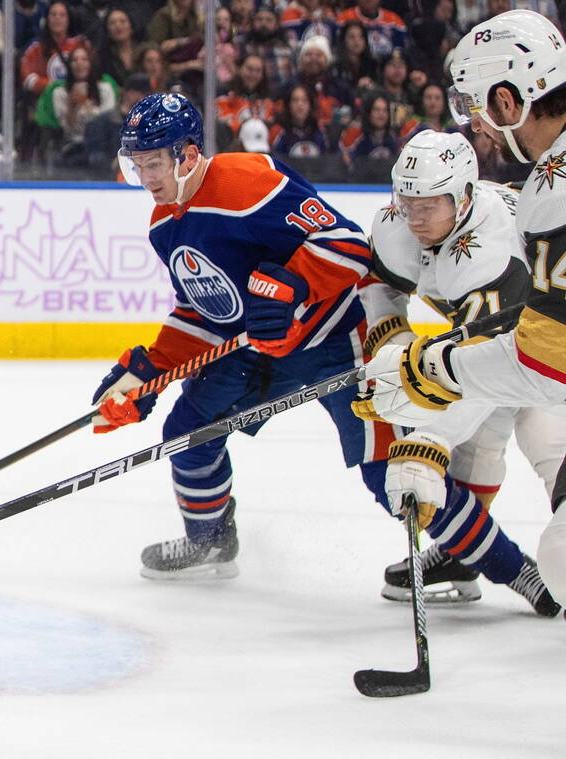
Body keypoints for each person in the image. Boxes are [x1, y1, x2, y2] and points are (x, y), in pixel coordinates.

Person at [99, 92, 395, 580]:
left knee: (387, 466)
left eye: (154, 163)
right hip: (258, 350)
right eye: (138, 165)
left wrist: (289, 288)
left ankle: (484, 562)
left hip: (331, 339)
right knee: (186, 433)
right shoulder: (163, 224)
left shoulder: (246, 181)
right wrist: (149, 370)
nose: (147, 178)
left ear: (187, 155)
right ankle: (211, 543)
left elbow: (348, 247)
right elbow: (204, 311)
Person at [358, 9, 566, 609]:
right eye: (409, 202)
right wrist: (393, 336)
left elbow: (537, 363)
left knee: (533, 434)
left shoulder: (526, 218)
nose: (482, 126)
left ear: (510, 100)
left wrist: (427, 408)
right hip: (520, 342)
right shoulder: (401, 225)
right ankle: (459, 554)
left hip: (526, 345)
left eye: (480, 108)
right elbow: (382, 285)